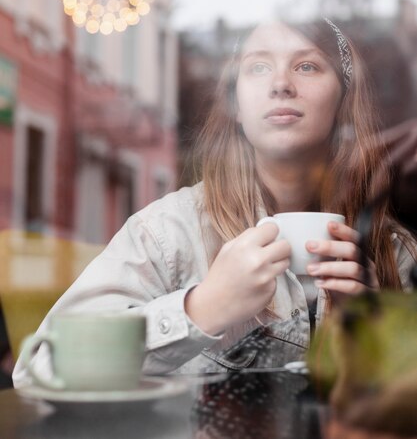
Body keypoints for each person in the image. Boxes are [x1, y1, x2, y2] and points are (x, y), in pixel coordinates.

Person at [13, 19, 416, 387]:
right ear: (237, 106)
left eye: (307, 66)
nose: (280, 84)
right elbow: (40, 370)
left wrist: (376, 339)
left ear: (344, 101)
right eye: (258, 67)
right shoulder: (168, 232)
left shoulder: (390, 248)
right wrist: (201, 309)